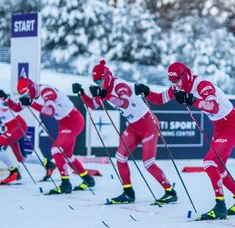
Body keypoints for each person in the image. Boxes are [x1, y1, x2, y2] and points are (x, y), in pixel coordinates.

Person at [134, 62, 235, 220]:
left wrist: (191, 99)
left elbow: (213, 107)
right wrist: (146, 92)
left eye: (176, 80)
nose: (174, 84)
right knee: (219, 170)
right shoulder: (178, 87)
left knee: (209, 163)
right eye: (172, 81)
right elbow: (160, 99)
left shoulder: (202, 85)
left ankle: (220, 206)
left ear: (185, 76)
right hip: (219, 126)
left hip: (232, 125)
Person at [73, 60, 176, 205]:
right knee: (120, 158)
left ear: (107, 76)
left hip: (148, 124)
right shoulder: (104, 88)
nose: (99, 84)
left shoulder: (118, 85)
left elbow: (124, 103)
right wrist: (82, 93)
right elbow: (93, 105)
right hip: (134, 126)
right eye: (96, 82)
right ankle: (128, 192)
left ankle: (170, 192)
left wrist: (105, 94)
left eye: (100, 80)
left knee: (148, 163)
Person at [8, 77, 96, 195]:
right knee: (68, 156)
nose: (28, 95)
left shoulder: (46, 91)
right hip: (64, 122)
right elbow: (17, 108)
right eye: (25, 94)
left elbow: (50, 111)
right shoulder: (32, 96)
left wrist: (32, 103)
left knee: (56, 150)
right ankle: (88, 180)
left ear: (32, 87)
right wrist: (6, 98)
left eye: (28, 93)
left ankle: (66, 184)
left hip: (73, 120)